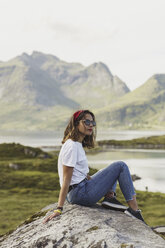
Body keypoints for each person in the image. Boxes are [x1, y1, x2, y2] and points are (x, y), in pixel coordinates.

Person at [43, 110, 145, 224]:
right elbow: (66, 180)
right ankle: (135, 211)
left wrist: (95, 180)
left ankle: (109, 199)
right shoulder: (71, 146)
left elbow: (78, 172)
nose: (91, 125)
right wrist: (59, 208)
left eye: (92, 122)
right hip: (79, 194)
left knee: (104, 171)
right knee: (121, 166)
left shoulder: (76, 144)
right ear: (76, 123)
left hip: (79, 190)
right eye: (87, 122)